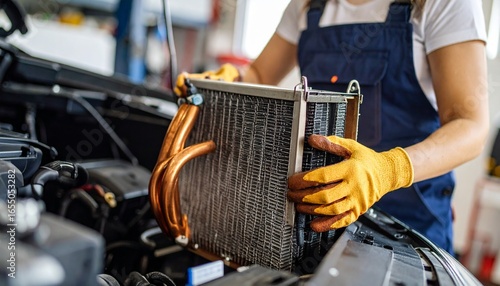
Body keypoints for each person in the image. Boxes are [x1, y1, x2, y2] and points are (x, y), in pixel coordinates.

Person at [175, 0, 489, 254]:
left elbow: (470, 124)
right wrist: (232, 80)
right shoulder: (307, 5)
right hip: (315, 218)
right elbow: (260, 73)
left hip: (408, 227)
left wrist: (387, 169)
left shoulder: (442, 4)